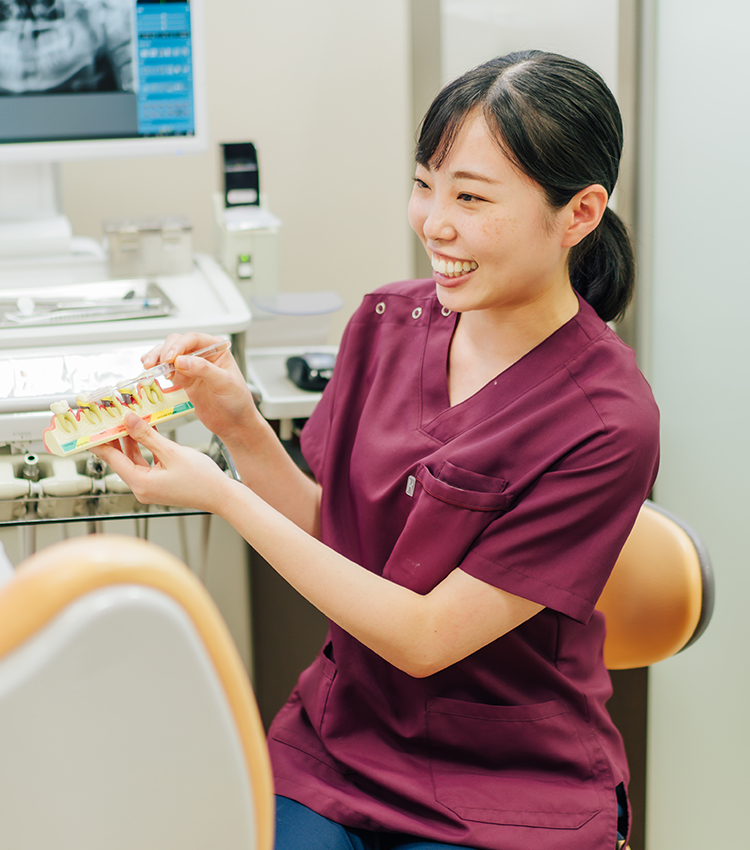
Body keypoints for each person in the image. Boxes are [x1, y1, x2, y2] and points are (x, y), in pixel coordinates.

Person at [93, 50, 659, 850]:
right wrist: (240, 429)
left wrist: (221, 494)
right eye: (426, 185)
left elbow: (425, 640)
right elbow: (344, 535)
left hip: (508, 783)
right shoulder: (391, 322)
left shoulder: (606, 421)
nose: (435, 222)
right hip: (342, 746)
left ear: (579, 213)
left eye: (471, 197)